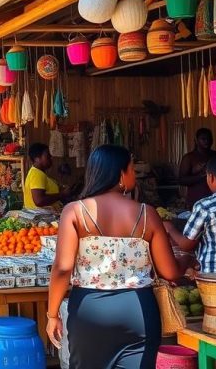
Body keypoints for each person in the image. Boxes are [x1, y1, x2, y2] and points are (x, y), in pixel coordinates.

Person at [47, 145, 186, 368]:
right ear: (121, 174)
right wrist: (187, 260)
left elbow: (62, 268)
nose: (134, 175)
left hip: (88, 310)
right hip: (137, 309)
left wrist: (52, 314)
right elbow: (170, 271)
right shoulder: (146, 213)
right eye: (132, 169)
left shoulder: (74, 212)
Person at [178, 128, 216, 209]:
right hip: (196, 200)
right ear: (196, 140)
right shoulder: (189, 158)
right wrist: (201, 176)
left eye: (209, 139)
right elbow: (181, 180)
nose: (207, 141)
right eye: (203, 139)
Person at [23, 143, 70, 209]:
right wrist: (62, 194)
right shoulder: (37, 174)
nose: (51, 157)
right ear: (37, 159)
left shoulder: (39, 172)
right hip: (40, 217)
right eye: (48, 155)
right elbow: (39, 201)